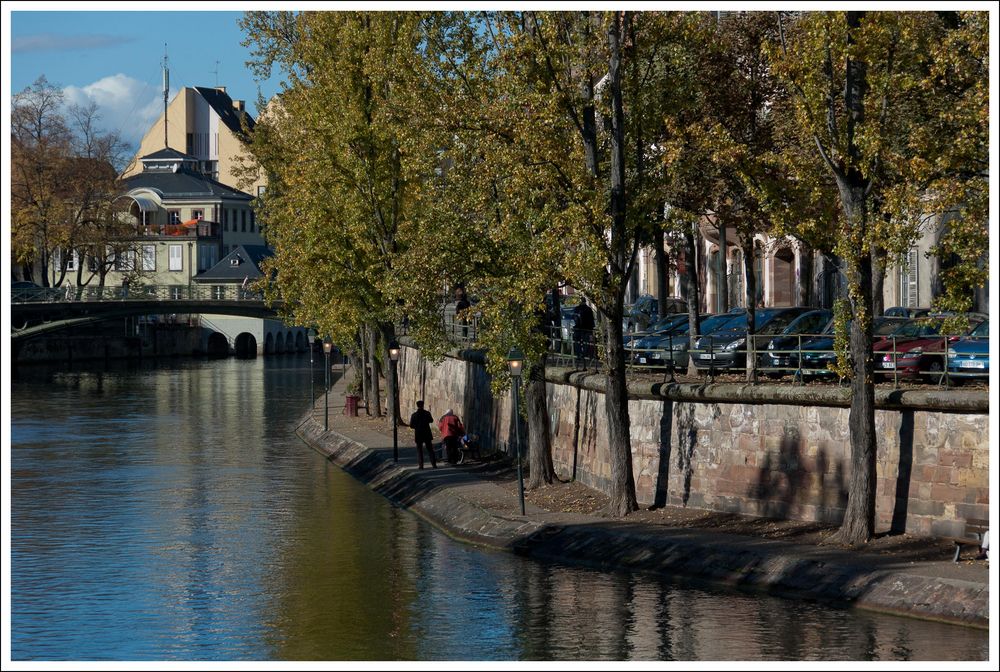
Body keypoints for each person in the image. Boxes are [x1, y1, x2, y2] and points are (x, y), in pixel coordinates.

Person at [406, 400, 437, 469]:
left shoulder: (414, 415)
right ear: (423, 405)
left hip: (418, 434)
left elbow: (411, 425)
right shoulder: (427, 413)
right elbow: (431, 420)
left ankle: (421, 465)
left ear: (417, 406)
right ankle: (434, 464)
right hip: (427, 433)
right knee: (430, 449)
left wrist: (417, 426)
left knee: (419, 450)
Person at [573, 299, 595, 367]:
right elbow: (592, 320)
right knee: (586, 342)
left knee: (577, 342)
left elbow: (574, 318)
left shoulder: (576, 309)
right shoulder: (589, 309)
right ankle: (585, 355)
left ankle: (578, 355)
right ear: (585, 302)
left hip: (578, 329)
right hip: (587, 329)